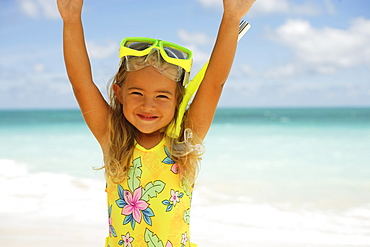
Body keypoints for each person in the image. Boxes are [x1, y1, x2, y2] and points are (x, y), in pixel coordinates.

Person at [57, 0, 256, 246]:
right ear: (119, 94)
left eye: (162, 96)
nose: (148, 105)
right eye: (137, 93)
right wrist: (71, 19)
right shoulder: (114, 141)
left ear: (177, 101)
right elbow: (81, 84)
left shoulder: (184, 142)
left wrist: (231, 17)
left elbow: (214, 83)